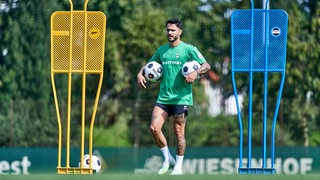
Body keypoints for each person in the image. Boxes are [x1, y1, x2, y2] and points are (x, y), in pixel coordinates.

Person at [137, 18, 210, 175]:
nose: (169, 32)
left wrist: (195, 72)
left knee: (179, 133)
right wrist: (140, 73)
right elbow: (149, 65)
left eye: (173, 30)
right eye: (168, 30)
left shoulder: (189, 49)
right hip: (163, 98)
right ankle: (168, 159)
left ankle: (178, 168)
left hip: (181, 98)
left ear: (180, 31)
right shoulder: (161, 50)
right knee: (154, 128)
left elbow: (206, 65)